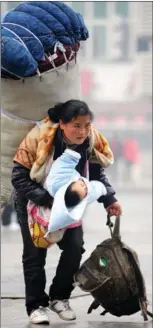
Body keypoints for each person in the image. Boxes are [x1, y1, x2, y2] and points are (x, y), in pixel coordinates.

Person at [11, 99, 122, 325]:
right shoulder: (39, 138)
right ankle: (36, 306)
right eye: (77, 126)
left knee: (74, 248)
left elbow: (96, 174)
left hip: (69, 208)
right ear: (62, 124)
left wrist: (109, 199)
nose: (83, 131)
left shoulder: (90, 141)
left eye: (87, 125)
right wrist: (51, 200)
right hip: (32, 204)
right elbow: (18, 177)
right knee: (35, 256)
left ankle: (60, 297)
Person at [27, 148, 107, 236]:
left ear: (70, 186)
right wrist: (101, 189)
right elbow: (94, 191)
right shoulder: (86, 192)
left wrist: (72, 156)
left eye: (82, 186)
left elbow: (62, 167)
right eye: (84, 188)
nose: (85, 185)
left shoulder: (56, 184)